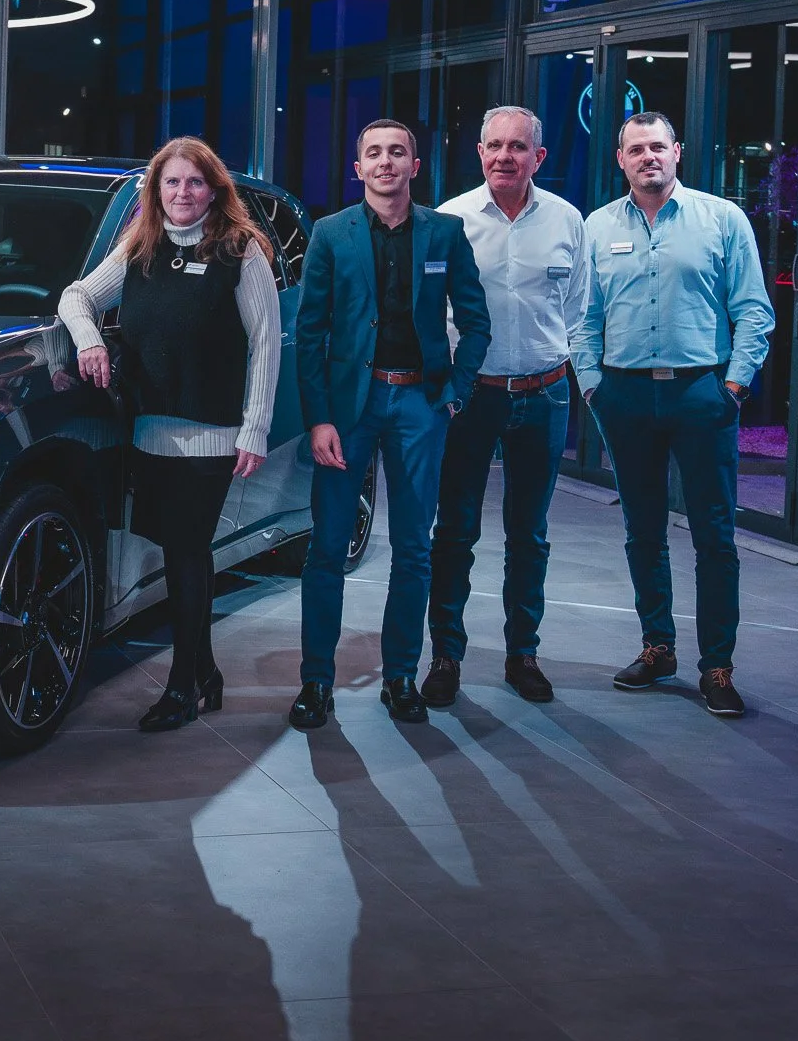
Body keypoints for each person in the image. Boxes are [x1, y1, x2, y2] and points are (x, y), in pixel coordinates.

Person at [59, 137, 279, 732]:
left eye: (195, 182)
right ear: (156, 191)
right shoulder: (141, 246)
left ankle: (182, 685)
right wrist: (90, 340)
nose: (183, 193)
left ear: (214, 190)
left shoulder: (240, 251)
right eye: (172, 182)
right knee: (181, 553)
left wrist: (255, 429)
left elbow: (266, 344)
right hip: (151, 431)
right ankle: (204, 672)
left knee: (187, 553)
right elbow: (76, 296)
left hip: (212, 436)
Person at [572, 111, 774, 719]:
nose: (648, 157)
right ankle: (658, 648)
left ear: (677, 151)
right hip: (625, 396)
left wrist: (733, 384)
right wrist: (593, 385)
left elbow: (754, 310)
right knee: (643, 530)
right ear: (621, 159)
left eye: (658, 146)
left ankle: (717, 667)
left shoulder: (723, 219)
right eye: (636, 149)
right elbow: (583, 316)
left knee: (714, 534)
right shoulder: (597, 226)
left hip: (701, 394)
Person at [289, 119, 490, 728]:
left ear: (414, 165)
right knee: (327, 547)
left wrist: (454, 392)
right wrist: (318, 419)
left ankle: (401, 676)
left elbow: (476, 323)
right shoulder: (331, 234)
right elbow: (310, 334)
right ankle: (316, 683)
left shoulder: (445, 232)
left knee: (414, 549)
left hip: (420, 406)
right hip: (348, 410)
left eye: (396, 152)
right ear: (359, 169)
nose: (385, 162)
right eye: (373, 153)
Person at [423, 107, 586, 708]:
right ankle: (446, 656)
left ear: (537, 157)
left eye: (518, 147)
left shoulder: (567, 220)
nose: (504, 157)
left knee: (529, 534)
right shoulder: (451, 220)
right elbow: (434, 312)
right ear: (480, 153)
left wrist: (575, 373)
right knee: (455, 531)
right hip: (472, 397)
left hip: (544, 394)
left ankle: (524, 655)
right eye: (494, 145)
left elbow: (579, 308)